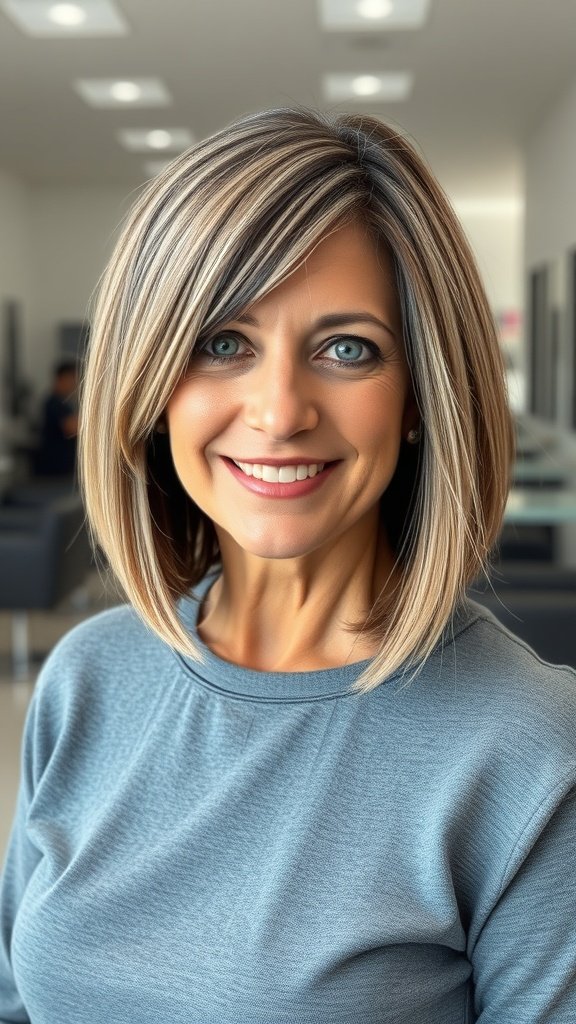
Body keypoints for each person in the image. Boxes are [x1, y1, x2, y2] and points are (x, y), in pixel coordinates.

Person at [1, 108, 575, 1023]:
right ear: (151, 384)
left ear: (422, 396)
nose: (278, 411)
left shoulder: (528, 744)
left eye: (347, 349)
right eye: (222, 344)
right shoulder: (87, 679)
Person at [34, 359, 79, 476]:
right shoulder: (54, 402)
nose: (74, 383)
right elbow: (72, 428)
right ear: (62, 378)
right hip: (56, 468)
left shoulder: (62, 402)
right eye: (72, 378)